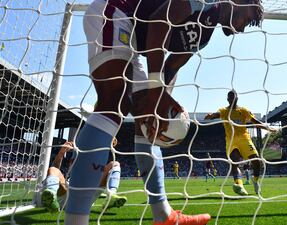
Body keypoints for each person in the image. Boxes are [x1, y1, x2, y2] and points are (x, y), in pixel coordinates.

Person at [66, 0, 263, 224]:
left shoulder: (204, 36)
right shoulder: (203, 2)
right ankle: (75, 220)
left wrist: (159, 99)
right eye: (247, 19)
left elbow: (171, 67)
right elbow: (158, 23)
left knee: (150, 124)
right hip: (115, 11)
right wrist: (155, 88)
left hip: (136, 42)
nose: (242, 28)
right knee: (115, 99)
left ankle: (163, 215)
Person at [204, 90, 276, 195]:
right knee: (235, 161)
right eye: (230, 97)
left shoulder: (243, 110)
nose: (232, 98)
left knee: (256, 161)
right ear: (227, 99)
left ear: (237, 98)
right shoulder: (224, 111)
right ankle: (240, 185)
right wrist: (211, 115)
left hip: (244, 138)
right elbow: (217, 114)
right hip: (231, 139)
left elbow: (255, 121)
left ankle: (255, 180)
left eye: (233, 96)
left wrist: (267, 127)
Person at [41, 140, 126, 213]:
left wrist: (107, 140)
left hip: (87, 195)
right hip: (67, 194)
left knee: (115, 164)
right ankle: (51, 197)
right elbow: (56, 169)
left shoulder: (98, 158)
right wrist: (61, 153)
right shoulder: (78, 155)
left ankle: (112, 195)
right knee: (53, 169)